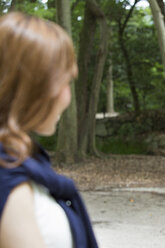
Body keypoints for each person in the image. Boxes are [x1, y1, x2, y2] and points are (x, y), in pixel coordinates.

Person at [0, 12, 98, 248]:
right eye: (64, 82)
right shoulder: (6, 174)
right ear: (32, 86)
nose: (67, 96)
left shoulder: (21, 160)